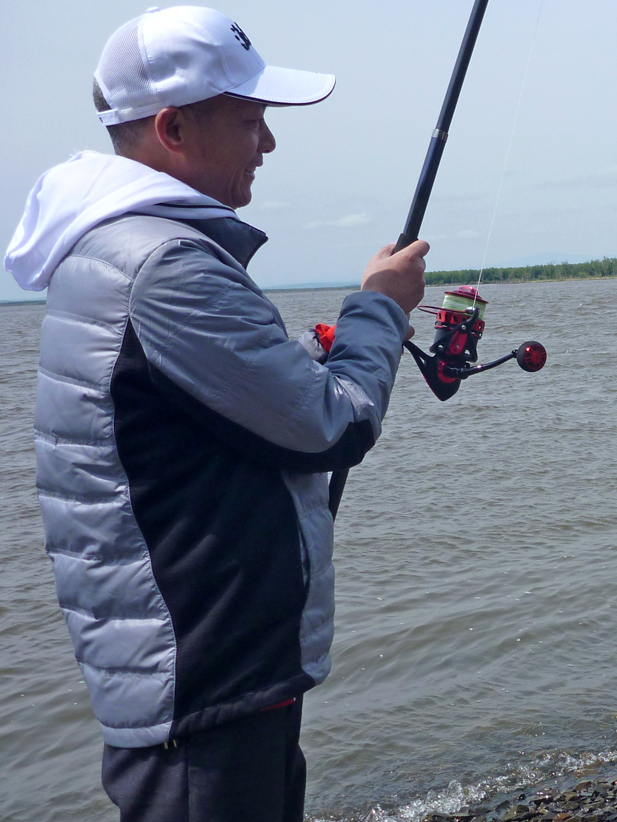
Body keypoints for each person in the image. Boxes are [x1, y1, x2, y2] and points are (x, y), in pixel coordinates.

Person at [4, 7, 428, 821]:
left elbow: (209, 401)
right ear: (172, 127)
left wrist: (311, 347)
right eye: (249, 119)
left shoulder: (121, 248)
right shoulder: (164, 264)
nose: (267, 142)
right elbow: (332, 427)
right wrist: (380, 310)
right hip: (207, 684)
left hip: (204, 673)